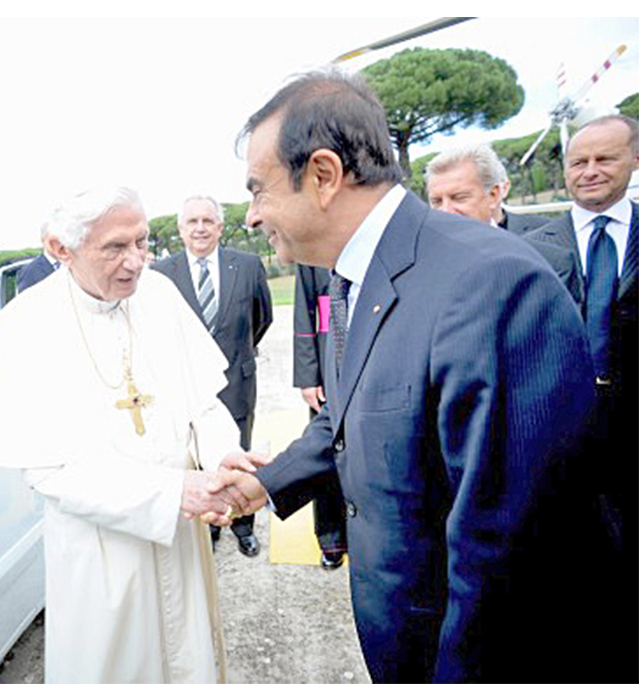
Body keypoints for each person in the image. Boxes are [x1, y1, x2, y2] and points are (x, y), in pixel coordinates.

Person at [226, 69, 602, 682]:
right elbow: (356, 411)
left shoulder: (489, 283)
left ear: (322, 176)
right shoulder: (359, 279)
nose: (250, 217)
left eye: (258, 191)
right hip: (401, 640)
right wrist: (266, 483)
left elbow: (510, 560)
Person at [0, 186, 264, 683]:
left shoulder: (160, 296)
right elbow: (47, 469)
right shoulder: (24, 325)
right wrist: (172, 492)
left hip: (181, 535)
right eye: (115, 248)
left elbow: (203, 405)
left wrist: (224, 458)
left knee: (190, 664)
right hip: (99, 549)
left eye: (142, 243)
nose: (136, 262)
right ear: (63, 249)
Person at [525, 114, 638, 678]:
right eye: (579, 162)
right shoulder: (529, 249)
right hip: (560, 437)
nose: (590, 171)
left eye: (605, 159)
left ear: (634, 161)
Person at [154, 195, 273, 557]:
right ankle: (209, 526)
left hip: (237, 381)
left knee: (237, 453)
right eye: (192, 222)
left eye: (208, 221)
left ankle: (243, 525)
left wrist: (237, 355)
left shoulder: (249, 266)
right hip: (184, 386)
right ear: (180, 229)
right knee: (194, 453)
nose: (200, 228)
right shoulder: (161, 275)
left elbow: (262, 318)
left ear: (220, 227)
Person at [291, 264, 347, 569]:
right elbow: (304, 315)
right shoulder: (311, 248)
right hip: (327, 369)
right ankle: (331, 538)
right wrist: (307, 376)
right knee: (326, 450)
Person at [425, 143, 549, 232]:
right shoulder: (424, 252)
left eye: (459, 198)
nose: (446, 211)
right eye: (436, 202)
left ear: (493, 195)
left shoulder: (546, 236)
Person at [15, 220, 60, 292]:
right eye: (53, 241)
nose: (58, 244)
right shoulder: (29, 271)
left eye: (61, 239)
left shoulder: (72, 264)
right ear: (43, 240)